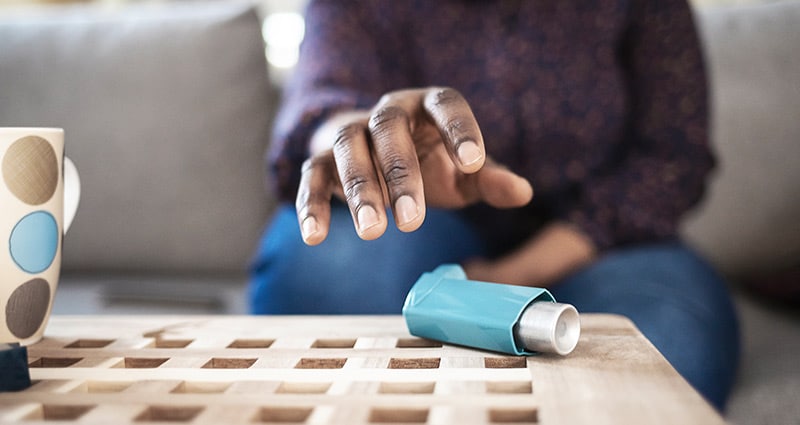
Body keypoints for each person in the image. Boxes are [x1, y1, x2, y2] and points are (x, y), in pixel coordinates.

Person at [249, 0, 740, 411]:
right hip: (412, 223)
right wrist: (360, 135)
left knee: (662, 350)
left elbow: (673, 153)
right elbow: (323, 102)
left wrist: (512, 273)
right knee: (328, 278)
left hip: (604, 240)